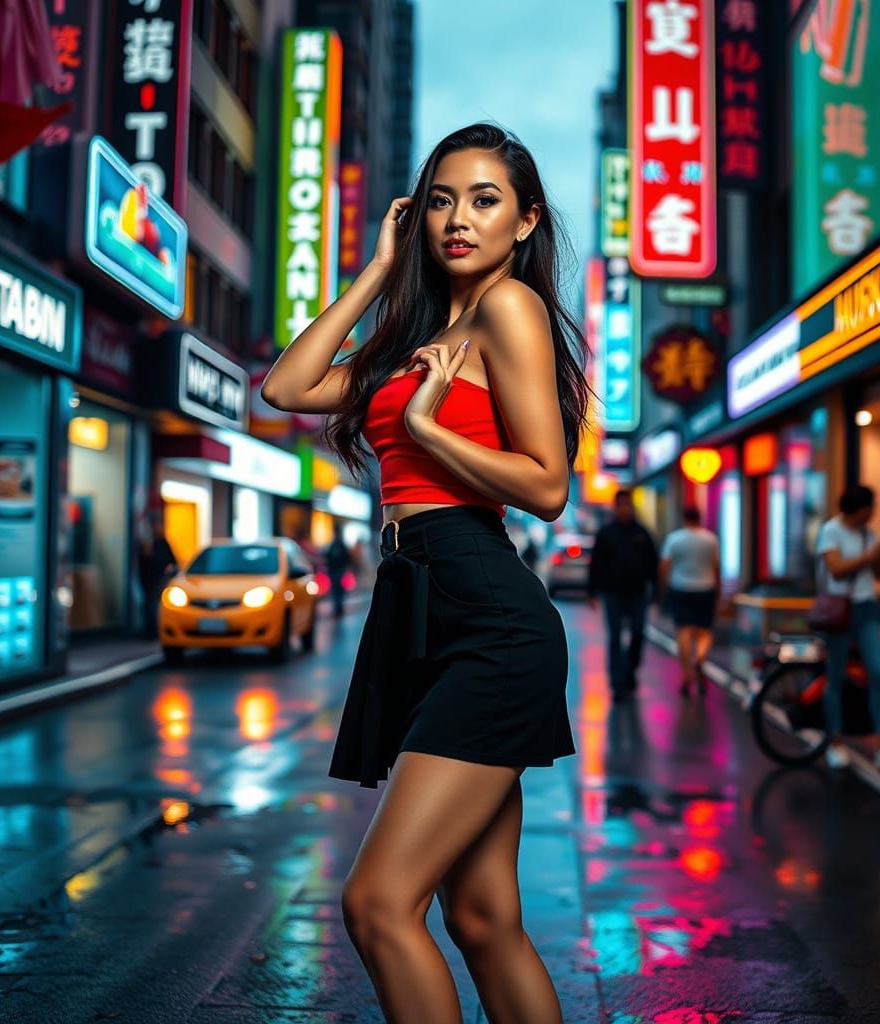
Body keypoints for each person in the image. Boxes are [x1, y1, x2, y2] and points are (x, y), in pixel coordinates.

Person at [260, 123, 589, 1024]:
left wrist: (436, 432)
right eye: (441, 198)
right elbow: (286, 388)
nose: (458, 218)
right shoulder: (420, 334)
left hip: (483, 605)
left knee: (378, 906)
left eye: (485, 200)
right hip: (415, 601)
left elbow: (549, 486)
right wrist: (376, 272)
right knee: (483, 919)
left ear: (524, 222)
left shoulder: (508, 311)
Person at [816, 484, 880, 772]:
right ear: (859, 509)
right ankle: (835, 741)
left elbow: (878, 575)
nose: (873, 514)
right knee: (836, 676)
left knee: (877, 674)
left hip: (866, 608)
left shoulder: (869, 534)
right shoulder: (831, 531)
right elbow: (836, 570)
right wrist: (870, 555)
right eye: (870, 508)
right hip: (840, 609)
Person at [587, 489, 659, 699]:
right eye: (622, 505)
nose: (626, 509)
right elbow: (596, 564)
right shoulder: (606, 533)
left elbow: (652, 563)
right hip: (612, 594)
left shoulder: (642, 533)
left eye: (629, 505)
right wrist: (591, 591)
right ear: (616, 507)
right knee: (615, 637)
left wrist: (656, 590)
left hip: (638, 593)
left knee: (638, 633)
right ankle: (618, 684)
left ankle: (629, 670)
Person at [660, 506, 720, 696]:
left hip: (680, 588)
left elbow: (664, 565)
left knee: (684, 630)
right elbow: (716, 565)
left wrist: (664, 587)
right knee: (704, 631)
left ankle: (687, 673)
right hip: (706, 588)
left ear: (684, 518)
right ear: (699, 518)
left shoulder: (674, 539)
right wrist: (718, 589)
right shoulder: (710, 539)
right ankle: (700, 658)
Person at [138, 518, 177, 638]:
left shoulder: (162, 543)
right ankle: (149, 631)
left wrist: (166, 572)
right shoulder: (147, 542)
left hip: (159, 579)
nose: (155, 529)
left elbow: (172, 561)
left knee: (155, 605)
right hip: (148, 579)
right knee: (148, 605)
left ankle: (155, 631)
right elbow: (142, 562)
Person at [324, 525, 353, 619]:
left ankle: (338, 609)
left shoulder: (336, 545)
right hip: (336, 571)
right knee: (338, 591)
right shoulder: (339, 545)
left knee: (337, 591)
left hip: (337, 571)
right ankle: (338, 608)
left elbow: (328, 557)